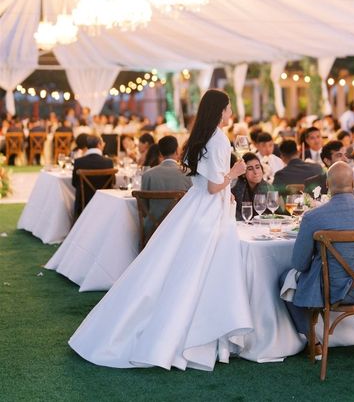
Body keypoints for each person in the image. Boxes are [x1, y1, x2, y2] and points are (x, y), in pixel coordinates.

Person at [69, 89, 252, 371]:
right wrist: (234, 174)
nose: (231, 113)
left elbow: (206, 184)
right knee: (201, 272)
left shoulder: (201, 138)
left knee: (177, 270)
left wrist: (225, 188)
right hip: (208, 212)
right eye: (228, 108)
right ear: (219, 111)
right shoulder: (219, 139)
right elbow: (215, 184)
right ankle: (199, 336)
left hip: (197, 207)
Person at [281, 162, 354, 360]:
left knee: (283, 279)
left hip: (328, 292)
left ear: (327, 186)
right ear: (353, 183)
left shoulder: (313, 217)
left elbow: (299, 264)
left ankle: (315, 343)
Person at [71, 136, 115, 220]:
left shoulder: (79, 162)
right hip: (104, 202)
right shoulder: (109, 162)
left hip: (83, 203)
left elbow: (74, 183)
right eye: (103, 143)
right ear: (99, 145)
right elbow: (112, 183)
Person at [231, 152, 272, 220]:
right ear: (243, 173)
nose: (255, 172)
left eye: (257, 167)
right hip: (242, 227)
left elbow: (271, 215)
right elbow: (234, 213)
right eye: (250, 169)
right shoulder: (235, 189)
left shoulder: (269, 189)